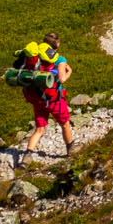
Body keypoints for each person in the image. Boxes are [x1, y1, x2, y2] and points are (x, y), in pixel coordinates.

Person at [23, 31, 75, 159]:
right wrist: (69, 72)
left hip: (38, 99)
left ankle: (26, 157)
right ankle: (71, 150)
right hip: (54, 99)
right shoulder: (59, 59)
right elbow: (62, 79)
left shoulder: (35, 59)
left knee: (39, 129)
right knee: (65, 124)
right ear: (57, 44)